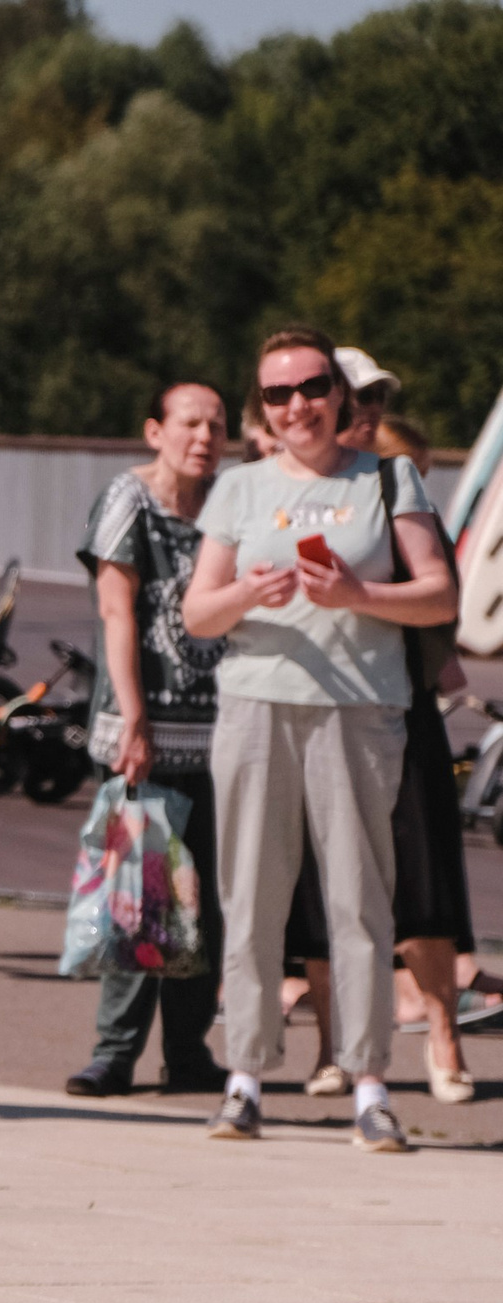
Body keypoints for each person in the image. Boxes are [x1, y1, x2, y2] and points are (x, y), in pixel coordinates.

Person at [181, 325, 457, 1154]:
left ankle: (371, 1084)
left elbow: (440, 597)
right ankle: (246, 1078)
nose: (296, 404)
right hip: (257, 703)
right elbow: (199, 614)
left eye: (310, 387)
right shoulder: (240, 487)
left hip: (359, 709)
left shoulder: (385, 477)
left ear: (339, 395)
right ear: (259, 406)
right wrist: (244, 596)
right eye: (277, 393)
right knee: (253, 893)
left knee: (359, 896)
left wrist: (357, 591)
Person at [289, 375, 481, 1105]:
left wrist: (364, 598)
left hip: (400, 708)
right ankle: (335, 1047)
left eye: (375, 404)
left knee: (422, 882)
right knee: (320, 886)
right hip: (315, 710)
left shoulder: (401, 489)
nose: (366, 414)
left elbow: (441, 596)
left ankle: (443, 1039)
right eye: (353, 401)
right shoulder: (291, 491)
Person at [63, 382, 231, 1098]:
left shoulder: (229, 504)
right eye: (191, 423)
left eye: (217, 425)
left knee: (207, 904)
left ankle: (189, 1049)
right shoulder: (128, 499)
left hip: (219, 732)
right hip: (147, 733)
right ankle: (116, 1050)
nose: (205, 436)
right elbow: (116, 608)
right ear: (155, 431)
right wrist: (134, 717)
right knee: (142, 895)